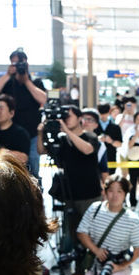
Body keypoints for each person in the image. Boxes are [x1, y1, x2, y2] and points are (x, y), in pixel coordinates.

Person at [36, 104, 102, 250]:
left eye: (68, 117)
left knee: (92, 235)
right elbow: (41, 151)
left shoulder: (89, 136)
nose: (65, 120)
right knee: (73, 234)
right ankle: (77, 269)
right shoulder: (62, 140)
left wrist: (65, 131)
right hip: (70, 195)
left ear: (79, 118)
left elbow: (87, 149)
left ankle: (90, 266)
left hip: (90, 195)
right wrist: (41, 133)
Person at [76, 176, 139, 275]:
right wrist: (96, 250)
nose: (115, 195)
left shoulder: (133, 220)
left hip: (117, 268)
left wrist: (121, 266)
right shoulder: (95, 208)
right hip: (94, 265)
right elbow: (81, 232)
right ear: (105, 192)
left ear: (125, 194)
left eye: (119, 191)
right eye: (111, 191)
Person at [0, 48, 47, 178]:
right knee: (10, 169)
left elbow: (43, 99)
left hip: (32, 134)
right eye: (14, 64)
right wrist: (7, 75)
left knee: (32, 169)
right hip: (12, 133)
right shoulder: (8, 83)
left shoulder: (35, 82)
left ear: (27, 64)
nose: (18, 66)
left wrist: (26, 81)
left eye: (21, 64)